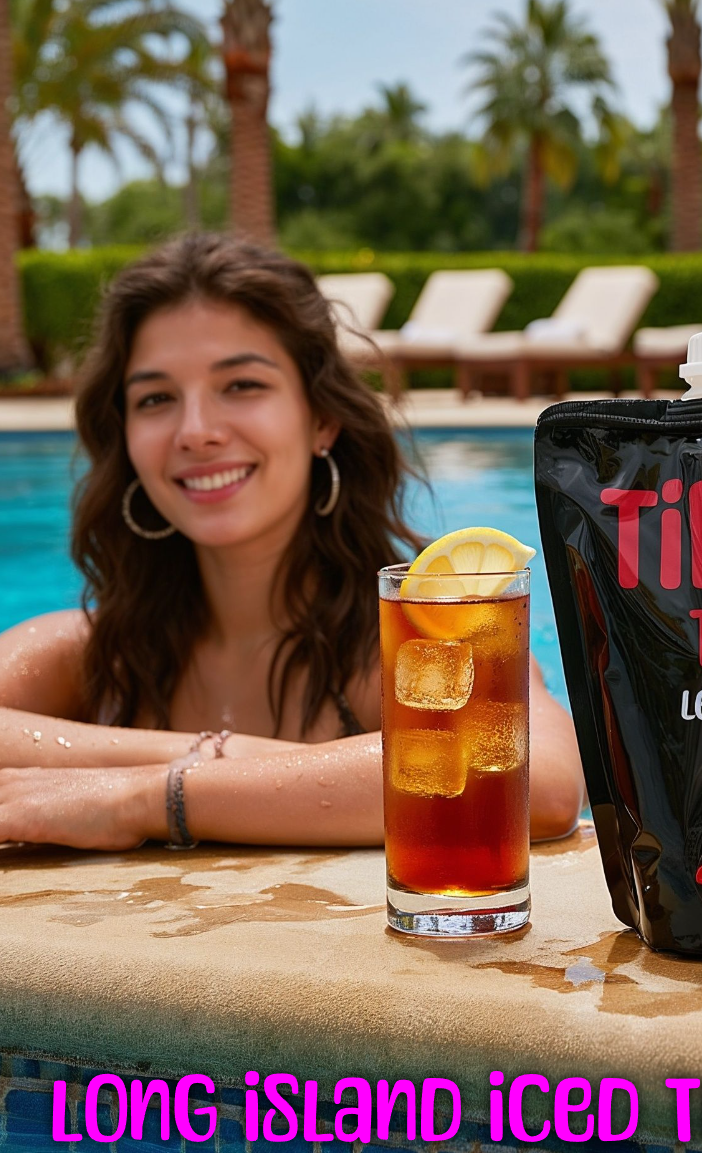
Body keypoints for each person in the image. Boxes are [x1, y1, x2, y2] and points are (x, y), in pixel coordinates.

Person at [0, 233, 584, 851]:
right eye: (156, 398)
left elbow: (535, 784)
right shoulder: (85, 656)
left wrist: (149, 797)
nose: (196, 431)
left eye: (242, 385)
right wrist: (226, 756)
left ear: (322, 419)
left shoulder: (395, 646)